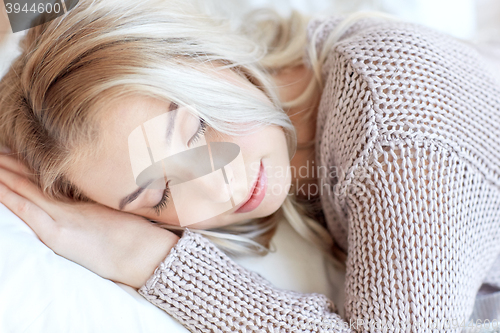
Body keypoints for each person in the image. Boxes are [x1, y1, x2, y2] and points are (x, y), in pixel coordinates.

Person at [0, 0, 500, 331]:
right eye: (159, 197)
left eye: (194, 131)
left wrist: (150, 261)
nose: (216, 190)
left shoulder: (400, 137)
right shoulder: (279, 103)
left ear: (208, 59)